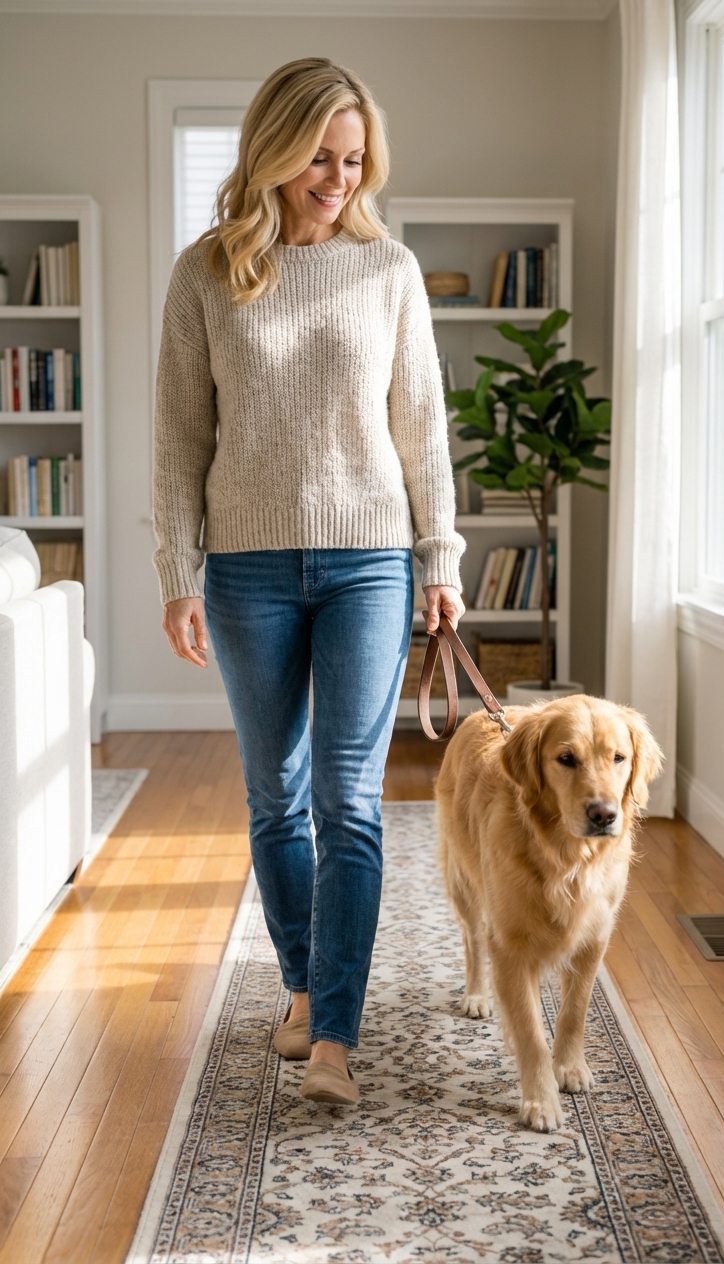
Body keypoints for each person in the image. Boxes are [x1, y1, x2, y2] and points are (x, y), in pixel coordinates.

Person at [153, 58, 465, 1106]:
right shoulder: (207, 273)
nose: (338, 178)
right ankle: (297, 983)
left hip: (370, 561)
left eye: (354, 159)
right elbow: (178, 440)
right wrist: (177, 569)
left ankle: (333, 1033)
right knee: (275, 794)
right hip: (245, 569)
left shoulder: (390, 271)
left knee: (349, 799)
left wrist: (442, 558)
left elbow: (421, 431)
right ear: (274, 151)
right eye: (320, 157)